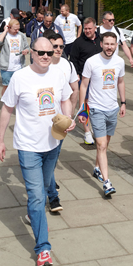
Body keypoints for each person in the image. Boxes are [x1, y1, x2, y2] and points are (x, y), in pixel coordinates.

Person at [0, 37, 75, 266]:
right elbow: (7, 108)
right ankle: (43, 250)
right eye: (41, 52)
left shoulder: (58, 74)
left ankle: (33, 213)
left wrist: (68, 118)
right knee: (38, 196)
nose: (46, 57)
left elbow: (65, 99)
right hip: (28, 146)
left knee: (46, 183)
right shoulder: (20, 77)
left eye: (50, 53)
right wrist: (0, 140)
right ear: (32, 52)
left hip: (53, 144)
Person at [78, 32, 126, 196]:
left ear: (116, 45)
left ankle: (97, 168)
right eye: (106, 44)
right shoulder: (92, 62)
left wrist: (123, 102)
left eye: (112, 44)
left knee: (105, 143)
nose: (109, 47)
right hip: (96, 108)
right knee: (102, 145)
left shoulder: (119, 61)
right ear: (101, 44)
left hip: (112, 108)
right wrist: (82, 108)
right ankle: (107, 182)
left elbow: (120, 82)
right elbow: (84, 85)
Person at [44, 30, 79, 211]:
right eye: (54, 46)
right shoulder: (43, 66)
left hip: (60, 122)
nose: (58, 49)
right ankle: (53, 197)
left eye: (61, 46)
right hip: (43, 121)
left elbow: (74, 90)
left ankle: (49, 186)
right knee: (48, 160)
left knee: (53, 159)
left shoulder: (67, 65)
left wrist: (69, 115)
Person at [70, 17, 102, 145]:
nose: (87, 31)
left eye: (90, 28)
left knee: (98, 102)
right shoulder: (78, 42)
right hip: (85, 78)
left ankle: (96, 126)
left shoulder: (101, 40)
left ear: (95, 28)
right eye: (86, 28)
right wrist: (76, 74)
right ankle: (87, 131)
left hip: (100, 78)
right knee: (86, 103)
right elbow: (73, 59)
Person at [0, 19, 30, 96]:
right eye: (15, 29)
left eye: (18, 29)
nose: (17, 31)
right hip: (7, 67)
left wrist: (26, 50)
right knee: (6, 86)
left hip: (19, 67)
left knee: (19, 87)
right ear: (9, 27)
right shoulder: (4, 35)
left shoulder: (21, 35)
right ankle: (5, 103)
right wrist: (5, 31)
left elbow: (27, 47)